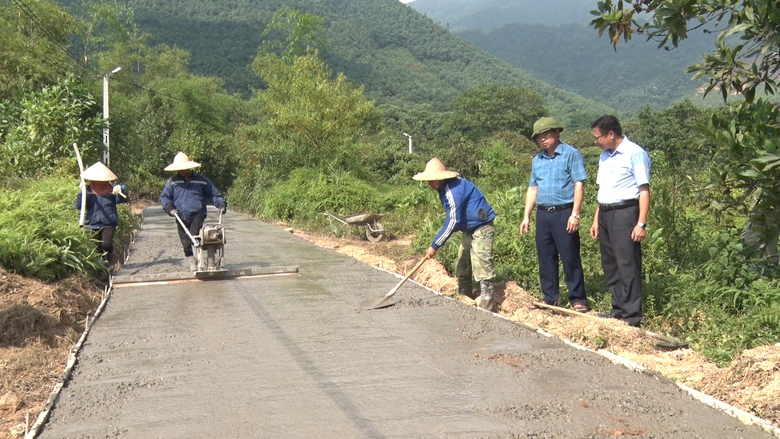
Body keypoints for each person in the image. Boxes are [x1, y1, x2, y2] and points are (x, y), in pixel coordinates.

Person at [520, 117, 588, 312]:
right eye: (540, 136)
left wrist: (575, 214)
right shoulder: (537, 160)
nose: (544, 139)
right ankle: (550, 297)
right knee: (546, 256)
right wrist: (527, 216)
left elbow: (579, 184)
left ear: (557, 132)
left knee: (570, 256)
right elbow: (533, 188)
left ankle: (578, 299)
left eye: (547, 134)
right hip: (543, 214)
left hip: (564, 212)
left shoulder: (571, 154)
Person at [589, 116, 651, 327]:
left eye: (598, 138)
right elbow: (603, 190)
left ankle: (632, 316)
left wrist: (640, 223)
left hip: (625, 213)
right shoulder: (604, 157)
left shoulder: (635, 153)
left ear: (611, 134)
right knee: (611, 263)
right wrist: (597, 219)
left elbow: (644, 190)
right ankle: (618, 309)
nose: (596, 142)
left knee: (627, 263)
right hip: (606, 212)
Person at [413, 158, 497, 311]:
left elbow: (452, 221)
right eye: (430, 181)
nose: (433, 183)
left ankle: (487, 308)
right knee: (462, 264)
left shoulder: (453, 190)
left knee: (482, 266)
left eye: (435, 179)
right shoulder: (444, 188)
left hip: (482, 228)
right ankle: (465, 299)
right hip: (468, 229)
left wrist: (434, 245)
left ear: (442, 177)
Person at [160, 152, 227, 271]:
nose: (182, 171)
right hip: (179, 215)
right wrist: (169, 208)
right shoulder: (172, 182)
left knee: (194, 235)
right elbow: (165, 197)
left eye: (184, 168)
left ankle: (201, 262)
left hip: (197, 213)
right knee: (185, 243)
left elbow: (213, 195)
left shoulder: (202, 181)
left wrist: (221, 204)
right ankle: (192, 262)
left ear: (190, 167)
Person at [75, 161, 129, 270]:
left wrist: (121, 190)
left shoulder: (112, 190)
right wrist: (82, 193)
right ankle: (101, 269)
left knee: (106, 244)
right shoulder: (88, 190)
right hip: (92, 223)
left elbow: (124, 199)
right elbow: (79, 206)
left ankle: (112, 260)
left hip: (108, 223)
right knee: (96, 248)